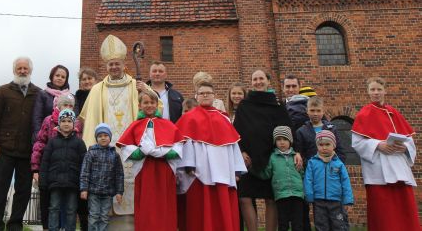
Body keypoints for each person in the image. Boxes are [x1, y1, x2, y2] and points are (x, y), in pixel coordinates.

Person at [79, 34, 152, 220]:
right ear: (106, 66)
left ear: (123, 63)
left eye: (117, 63)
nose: (114, 67)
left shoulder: (136, 85)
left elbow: (154, 106)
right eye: (110, 64)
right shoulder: (97, 89)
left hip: (131, 145)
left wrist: (146, 90)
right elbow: (88, 118)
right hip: (106, 148)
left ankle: (133, 220)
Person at [233, 69, 299, 231]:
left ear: (268, 81)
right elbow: (236, 132)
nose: (258, 82)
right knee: (245, 198)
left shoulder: (277, 106)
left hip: (272, 159)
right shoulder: (244, 105)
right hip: (248, 159)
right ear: (252, 83)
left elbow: (288, 131)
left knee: (270, 199)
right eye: (255, 79)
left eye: (261, 78)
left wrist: (292, 152)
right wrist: (241, 152)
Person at [176, 81, 247, 231]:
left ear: (214, 96)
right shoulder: (189, 118)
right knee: (200, 210)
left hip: (224, 173)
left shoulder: (224, 118)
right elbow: (185, 142)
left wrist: (236, 170)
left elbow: (232, 145)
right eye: (202, 93)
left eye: (208, 93)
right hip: (198, 173)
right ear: (197, 96)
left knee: (222, 209)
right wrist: (188, 165)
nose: (205, 95)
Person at [351, 76, 420, 230]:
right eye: (373, 90)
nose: (376, 93)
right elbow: (357, 143)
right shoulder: (364, 113)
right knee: (384, 214)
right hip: (379, 171)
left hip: (400, 168)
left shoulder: (394, 112)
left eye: (379, 89)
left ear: (385, 91)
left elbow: (409, 140)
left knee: (404, 209)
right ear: (368, 92)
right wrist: (377, 145)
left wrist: (406, 148)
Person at [0, 57, 42, 231]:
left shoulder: (38, 94)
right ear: (14, 70)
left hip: (27, 152)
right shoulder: (3, 91)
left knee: (23, 192)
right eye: (19, 68)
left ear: (30, 71)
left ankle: (15, 225)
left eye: (26, 68)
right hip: (5, 149)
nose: (22, 71)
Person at [117, 90, 184, 231]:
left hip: (164, 169)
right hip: (145, 169)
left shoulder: (168, 124)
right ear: (140, 105)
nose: (149, 105)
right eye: (145, 102)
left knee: (164, 203)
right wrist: (139, 152)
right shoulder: (135, 125)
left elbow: (178, 145)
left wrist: (165, 153)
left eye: (152, 102)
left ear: (157, 104)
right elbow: (126, 147)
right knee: (147, 203)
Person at [294, 96, 345, 231]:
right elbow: (300, 152)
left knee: (338, 220)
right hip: (315, 177)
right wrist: (311, 166)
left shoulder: (332, 129)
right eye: (312, 110)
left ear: (323, 111)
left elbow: (340, 152)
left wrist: (337, 168)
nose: (315, 113)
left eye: (318, 110)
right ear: (307, 111)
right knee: (320, 218)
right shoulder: (302, 131)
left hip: (332, 178)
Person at [32, 94, 79, 231]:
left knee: (69, 207)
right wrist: (36, 168)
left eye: (71, 106)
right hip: (52, 170)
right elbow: (40, 143)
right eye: (65, 105)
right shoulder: (48, 120)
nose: (68, 107)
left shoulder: (75, 124)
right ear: (58, 105)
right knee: (52, 204)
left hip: (69, 172)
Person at [39, 109, 86, 231]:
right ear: (59, 123)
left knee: (71, 210)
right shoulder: (52, 142)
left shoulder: (79, 143)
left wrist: (83, 185)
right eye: (63, 121)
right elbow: (45, 163)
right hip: (55, 182)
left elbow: (84, 165)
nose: (66, 123)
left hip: (73, 183)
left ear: (74, 123)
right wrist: (43, 181)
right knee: (54, 208)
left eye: (69, 121)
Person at [253, 126, 304, 231]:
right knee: (283, 223)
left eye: (285, 139)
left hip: (297, 194)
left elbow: (302, 174)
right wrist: (253, 169)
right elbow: (266, 174)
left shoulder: (296, 156)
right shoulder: (273, 157)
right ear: (275, 142)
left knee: (298, 223)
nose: (282, 142)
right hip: (281, 195)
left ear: (290, 141)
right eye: (278, 139)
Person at [304, 131, 353, 231]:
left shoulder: (339, 164)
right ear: (317, 146)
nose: (324, 147)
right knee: (321, 226)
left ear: (333, 145)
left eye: (327, 144)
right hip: (319, 201)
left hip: (336, 201)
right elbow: (308, 180)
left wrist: (348, 200)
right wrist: (309, 196)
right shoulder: (312, 163)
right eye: (321, 145)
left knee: (339, 225)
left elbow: (345, 182)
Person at [79, 124, 124, 231]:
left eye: (105, 135)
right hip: (93, 192)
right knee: (94, 216)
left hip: (108, 193)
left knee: (104, 217)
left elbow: (119, 175)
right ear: (96, 138)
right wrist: (84, 189)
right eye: (100, 136)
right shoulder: (91, 153)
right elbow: (85, 172)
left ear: (110, 137)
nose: (103, 138)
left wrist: (119, 192)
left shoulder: (115, 155)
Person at [73, 67, 97, 231]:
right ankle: (84, 225)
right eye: (84, 79)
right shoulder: (76, 99)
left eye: (90, 78)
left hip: (97, 143)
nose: (87, 81)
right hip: (81, 145)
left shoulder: (99, 95)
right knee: (82, 186)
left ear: (95, 80)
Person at [32, 65, 71, 141]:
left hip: (65, 136)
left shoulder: (71, 97)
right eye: (57, 75)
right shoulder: (42, 94)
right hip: (45, 136)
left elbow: (74, 117)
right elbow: (37, 117)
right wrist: (38, 136)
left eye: (63, 77)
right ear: (52, 76)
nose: (60, 78)